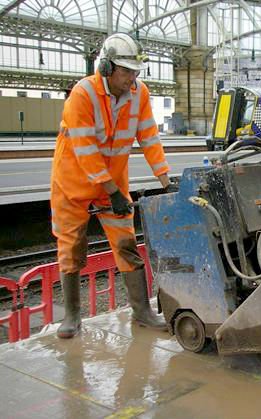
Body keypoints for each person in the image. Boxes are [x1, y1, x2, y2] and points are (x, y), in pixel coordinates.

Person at [51, 33, 173, 338]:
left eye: (135, 72)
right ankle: (72, 317)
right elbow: (85, 149)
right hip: (73, 181)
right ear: (106, 67)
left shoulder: (138, 93)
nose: (132, 78)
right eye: (126, 71)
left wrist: (166, 180)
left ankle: (142, 312)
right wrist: (112, 191)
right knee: (71, 245)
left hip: (113, 183)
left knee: (126, 243)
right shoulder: (82, 95)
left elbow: (148, 137)